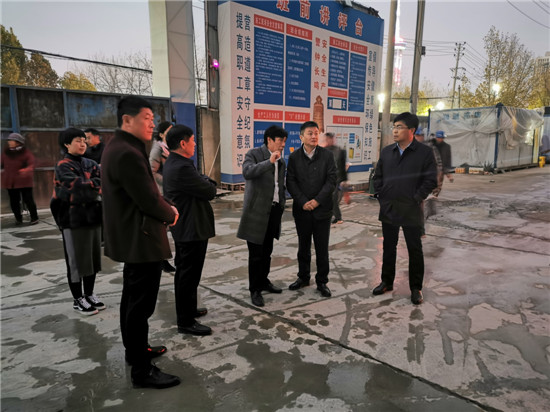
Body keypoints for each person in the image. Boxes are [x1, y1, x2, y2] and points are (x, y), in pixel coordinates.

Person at [101, 96, 180, 389]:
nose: (151, 124)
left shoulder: (121, 147)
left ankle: (136, 352)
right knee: (140, 306)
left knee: (132, 300)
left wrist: (164, 205)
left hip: (134, 236)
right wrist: (170, 213)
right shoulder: (127, 153)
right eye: (146, 118)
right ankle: (142, 371)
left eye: (152, 119)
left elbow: (145, 193)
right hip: (141, 237)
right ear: (127, 120)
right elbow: (148, 199)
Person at [372, 112, 437, 305]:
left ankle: (416, 288)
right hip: (389, 207)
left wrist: (416, 198)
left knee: (414, 249)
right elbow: (378, 176)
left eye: (399, 127)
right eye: (394, 127)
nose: (395, 131)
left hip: (411, 209)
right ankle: (386, 282)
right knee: (388, 247)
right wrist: (382, 195)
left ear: (411, 130)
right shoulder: (387, 152)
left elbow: (430, 180)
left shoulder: (424, 153)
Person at [163, 124, 216, 336]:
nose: (195, 144)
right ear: (183, 143)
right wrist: (206, 181)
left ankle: (190, 309)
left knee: (191, 273)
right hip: (189, 228)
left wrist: (203, 180)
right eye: (193, 140)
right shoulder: (181, 167)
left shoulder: (178, 163)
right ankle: (185, 321)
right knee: (187, 274)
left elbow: (203, 183)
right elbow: (209, 190)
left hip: (190, 227)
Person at [50, 128, 103, 316]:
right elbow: (76, 188)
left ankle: (89, 294)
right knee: (75, 261)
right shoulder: (63, 166)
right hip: (72, 220)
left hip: (93, 218)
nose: (82, 144)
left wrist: (91, 187)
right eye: (78, 141)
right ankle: (77, 298)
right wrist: (93, 186)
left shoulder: (91, 163)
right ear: (67, 144)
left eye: (84, 140)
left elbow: (101, 183)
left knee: (92, 259)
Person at [237, 125, 288, 307]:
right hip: (256, 212)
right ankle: (255, 289)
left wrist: (282, 204)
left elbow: (279, 185)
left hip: (273, 211)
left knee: (267, 251)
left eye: (284, 141)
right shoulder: (254, 154)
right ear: (269, 140)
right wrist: (269, 162)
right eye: (280, 140)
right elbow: (247, 172)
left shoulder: (282, 161)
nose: (283, 144)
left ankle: (264, 281)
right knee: (256, 254)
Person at [287, 121, 337, 298]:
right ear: (301, 137)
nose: (314, 136)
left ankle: (322, 281)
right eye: (310, 133)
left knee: (322, 248)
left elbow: (331, 180)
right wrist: (303, 201)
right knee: (303, 247)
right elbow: (290, 181)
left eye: (316, 133)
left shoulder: (327, 156)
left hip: (322, 210)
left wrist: (316, 201)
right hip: (302, 210)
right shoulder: (294, 157)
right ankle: (303, 277)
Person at [149, 121, 176, 273]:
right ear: (161, 134)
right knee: (162, 230)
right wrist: (168, 181)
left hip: (170, 191)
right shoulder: (157, 148)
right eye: (169, 131)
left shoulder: (169, 147)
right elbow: (152, 171)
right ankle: (162, 260)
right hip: (161, 192)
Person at [1, 133, 39, 225]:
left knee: (28, 200)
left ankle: (34, 218)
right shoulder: (6, 153)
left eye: (12, 140)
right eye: (9, 140)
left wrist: (27, 170)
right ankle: (18, 218)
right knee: (14, 202)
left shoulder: (26, 153)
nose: (9, 142)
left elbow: (32, 164)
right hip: (11, 182)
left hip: (24, 181)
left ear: (18, 142)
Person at [415, 126, 444, 231]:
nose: (418, 137)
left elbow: (438, 164)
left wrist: (438, 182)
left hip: (426, 181)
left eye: (420, 135)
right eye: (416, 135)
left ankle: (420, 228)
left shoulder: (430, 148)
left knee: (423, 203)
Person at [324, 132, 349, 224]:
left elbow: (343, 167)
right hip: (326, 178)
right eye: (327, 139)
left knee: (333, 198)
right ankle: (331, 216)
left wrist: (345, 181)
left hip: (336, 178)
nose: (328, 141)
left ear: (333, 139)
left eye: (330, 139)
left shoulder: (340, 151)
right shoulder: (324, 150)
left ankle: (338, 217)